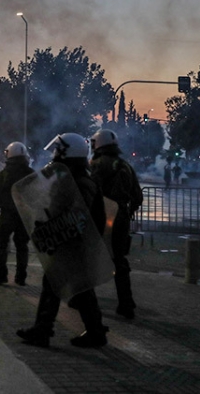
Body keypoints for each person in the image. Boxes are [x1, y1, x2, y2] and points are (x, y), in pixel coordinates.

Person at [16, 133, 109, 348]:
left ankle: (43, 330)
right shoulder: (72, 178)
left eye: (57, 151)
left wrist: (55, 225)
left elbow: (76, 215)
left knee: (56, 285)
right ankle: (94, 332)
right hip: (72, 243)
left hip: (73, 244)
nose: (54, 155)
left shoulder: (81, 182)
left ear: (67, 153)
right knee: (78, 288)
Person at [89, 129, 140, 319]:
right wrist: (126, 213)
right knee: (119, 260)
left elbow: (90, 192)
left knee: (90, 257)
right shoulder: (126, 166)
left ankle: (84, 300)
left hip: (100, 216)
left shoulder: (96, 164)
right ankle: (126, 303)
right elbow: (138, 196)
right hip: (121, 216)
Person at [0, 141, 34, 286]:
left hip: (7, 214)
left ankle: (1, 275)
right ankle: (21, 277)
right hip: (25, 215)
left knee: (1, 243)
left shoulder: (5, 173)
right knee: (22, 246)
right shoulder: (30, 173)